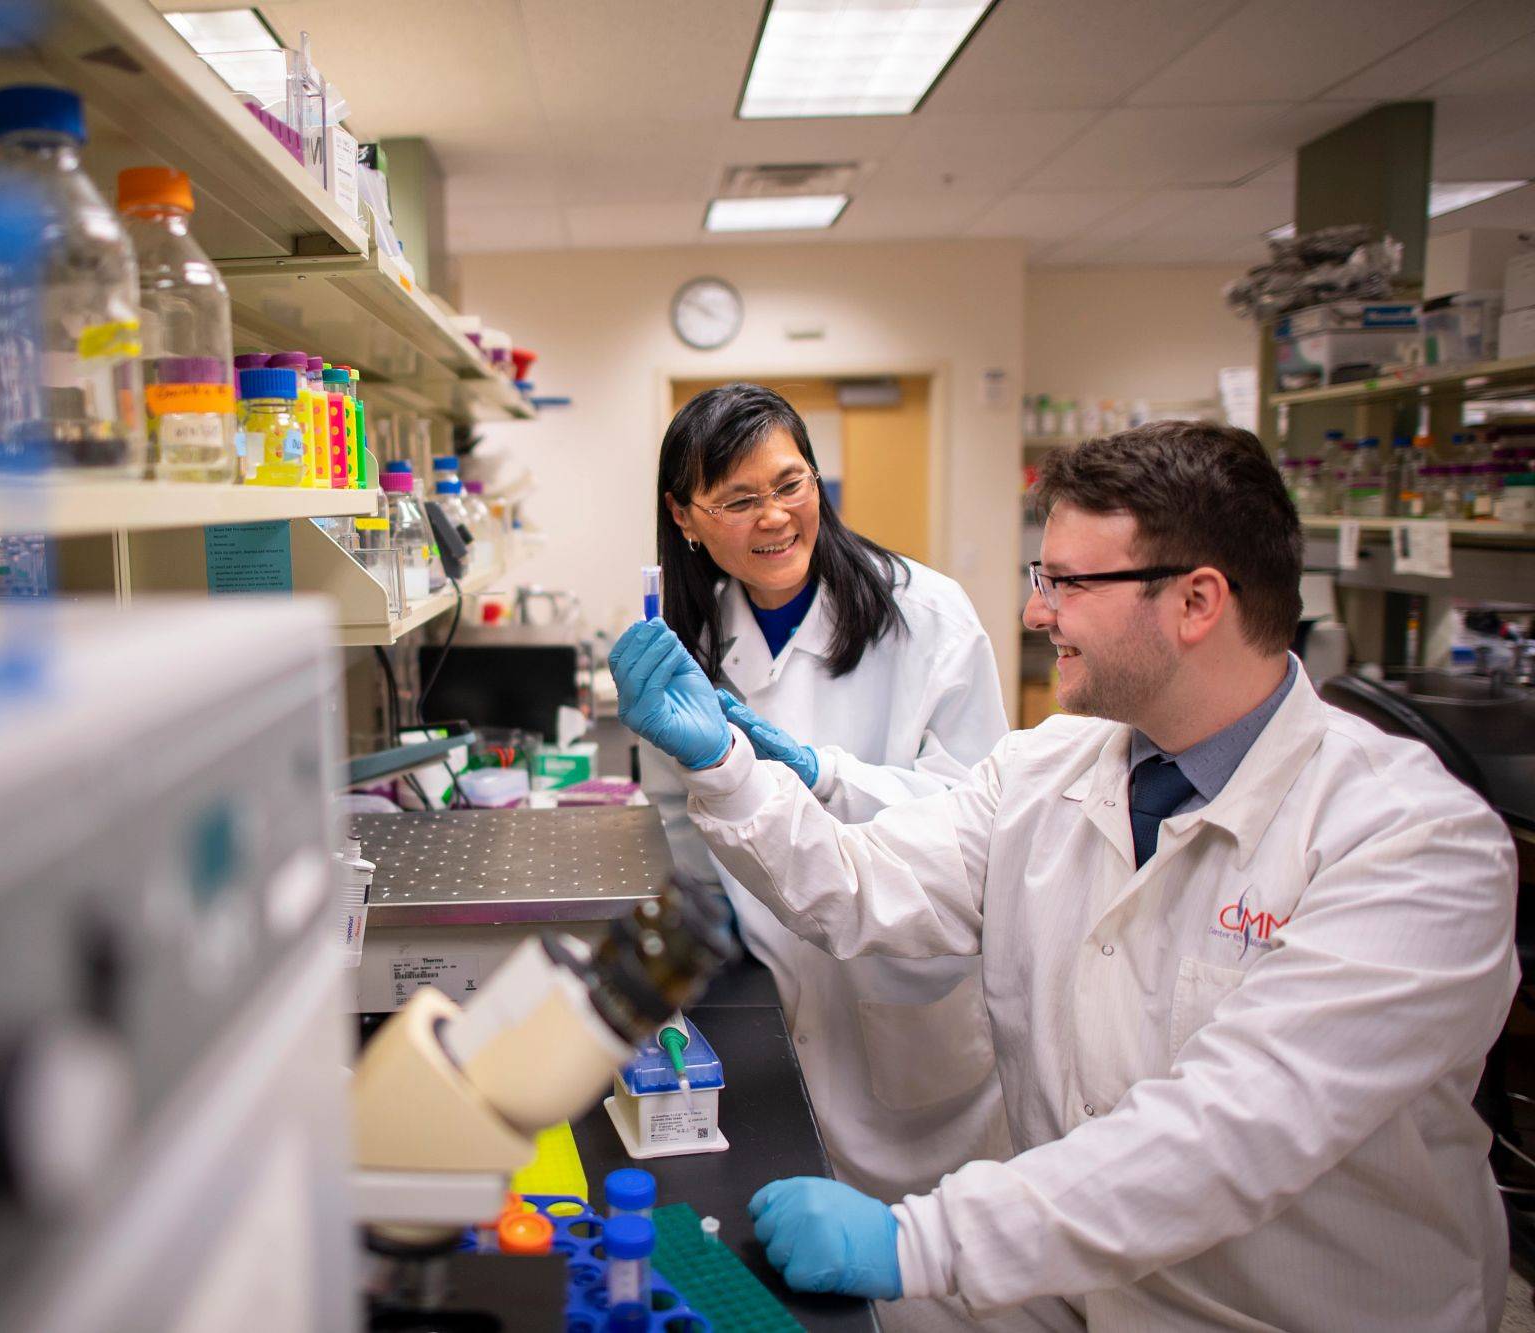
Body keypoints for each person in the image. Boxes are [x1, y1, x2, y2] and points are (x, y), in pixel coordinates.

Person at [609, 420, 1518, 1330]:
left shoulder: (1415, 843)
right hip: (1061, 1295)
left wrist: (917, 1243)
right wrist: (726, 764)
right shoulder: (1046, 768)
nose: (1039, 613)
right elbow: (861, 883)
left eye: (1068, 583)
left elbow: (1227, 1132)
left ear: (1197, 602)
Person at [640, 383, 1015, 1208]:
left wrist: (821, 771)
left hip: (906, 999)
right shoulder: (689, 637)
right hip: (764, 1001)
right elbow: (679, 820)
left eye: (790, 484)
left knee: (934, 1278)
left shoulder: (929, 617)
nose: (774, 517)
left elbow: (981, 825)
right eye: (738, 499)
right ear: (686, 516)